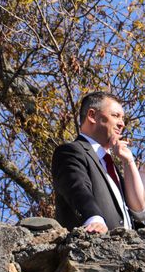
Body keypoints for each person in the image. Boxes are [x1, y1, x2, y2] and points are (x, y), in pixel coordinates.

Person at [52, 91, 135, 233]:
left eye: (123, 118)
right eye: (115, 116)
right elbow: (76, 187)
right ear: (92, 115)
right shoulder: (70, 151)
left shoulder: (113, 166)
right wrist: (93, 219)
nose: (122, 124)